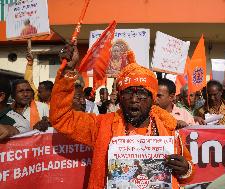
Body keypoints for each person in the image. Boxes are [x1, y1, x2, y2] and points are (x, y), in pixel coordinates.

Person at [50, 45, 194, 189]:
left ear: (152, 99)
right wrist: (68, 71)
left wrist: (185, 169)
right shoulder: (101, 126)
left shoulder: (168, 129)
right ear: (120, 97)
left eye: (142, 94)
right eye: (128, 93)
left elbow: (189, 173)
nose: (134, 99)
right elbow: (62, 118)